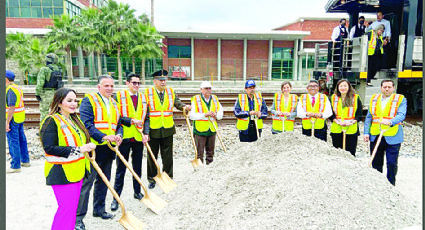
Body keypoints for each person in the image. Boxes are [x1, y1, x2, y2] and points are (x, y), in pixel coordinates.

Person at [40, 88, 96, 230]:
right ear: (59, 103)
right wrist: (79, 149)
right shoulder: (51, 121)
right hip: (61, 173)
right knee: (66, 210)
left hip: (76, 171)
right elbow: (49, 148)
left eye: (75, 100)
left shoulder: (73, 119)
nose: (73, 104)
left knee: (71, 211)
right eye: (69, 100)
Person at [75, 75, 124, 230]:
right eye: (106, 85)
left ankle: (99, 209)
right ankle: (78, 218)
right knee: (87, 183)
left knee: (104, 180)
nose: (110, 88)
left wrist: (119, 134)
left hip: (108, 148)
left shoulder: (114, 103)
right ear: (99, 87)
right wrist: (103, 136)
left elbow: (119, 123)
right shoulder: (89, 100)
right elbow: (87, 124)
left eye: (111, 85)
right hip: (93, 147)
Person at [145, 69, 191, 189]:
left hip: (167, 128)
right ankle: (152, 178)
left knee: (168, 155)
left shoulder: (171, 92)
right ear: (154, 81)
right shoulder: (147, 93)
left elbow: (178, 103)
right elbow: (143, 111)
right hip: (152, 129)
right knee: (152, 155)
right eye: (160, 80)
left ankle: (168, 177)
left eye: (164, 80)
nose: (163, 82)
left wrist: (184, 107)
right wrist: (144, 130)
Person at [110, 73, 150, 211]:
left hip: (138, 138)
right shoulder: (119, 97)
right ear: (127, 83)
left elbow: (147, 117)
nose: (137, 85)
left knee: (137, 167)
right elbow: (116, 117)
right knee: (121, 169)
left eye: (139, 83)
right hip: (124, 138)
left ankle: (137, 192)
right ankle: (116, 198)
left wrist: (146, 133)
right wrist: (131, 121)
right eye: (134, 83)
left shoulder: (144, 98)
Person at [364, 79, 407, 186]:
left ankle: (390, 185)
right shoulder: (374, 99)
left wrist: (391, 121)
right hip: (375, 134)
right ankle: (378, 185)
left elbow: (401, 115)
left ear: (393, 88)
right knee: (376, 162)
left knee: (391, 163)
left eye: (389, 87)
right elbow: (369, 117)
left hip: (393, 135)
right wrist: (366, 132)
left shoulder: (400, 99)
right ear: (381, 88)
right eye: (384, 87)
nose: (387, 89)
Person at [188, 81, 224, 165]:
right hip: (200, 130)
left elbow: (221, 112)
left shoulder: (215, 99)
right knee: (199, 153)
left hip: (212, 129)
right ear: (201, 90)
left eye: (210, 88)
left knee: (210, 153)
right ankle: (199, 171)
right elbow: (192, 116)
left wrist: (216, 115)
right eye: (206, 88)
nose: (208, 90)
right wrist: (205, 115)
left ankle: (209, 169)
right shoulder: (196, 100)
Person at [329, 79, 363, 156]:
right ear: (337, 87)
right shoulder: (333, 98)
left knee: (350, 152)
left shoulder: (355, 98)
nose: (343, 88)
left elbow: (359, 114)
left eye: (345, 86)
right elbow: (330, 113)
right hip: (337, 127)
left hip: (351, 128)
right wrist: (337, 121)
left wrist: (351, 122)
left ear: (349, 87)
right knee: (337, 152)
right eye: (341, 86)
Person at [6, 70, 30, 173]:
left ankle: (15, 166)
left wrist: (7, 122)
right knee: (22, 139)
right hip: (20, 117)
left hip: (13, 119)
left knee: (13, 141)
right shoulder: (17, 88)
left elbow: (11, 107)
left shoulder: (10, 90)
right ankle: (25, 160)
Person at [36, 53, 64, 121]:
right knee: (56, 112)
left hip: (46, 94)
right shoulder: (59, 69)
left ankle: (43, 130)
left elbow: (40, 83)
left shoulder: (44, 69)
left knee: (44, 113)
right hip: (57, 93)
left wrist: (37, 94)